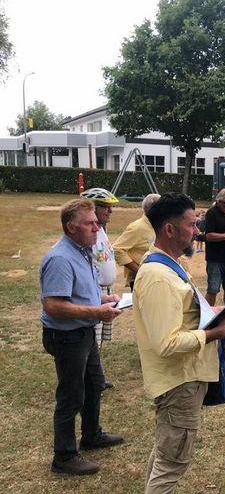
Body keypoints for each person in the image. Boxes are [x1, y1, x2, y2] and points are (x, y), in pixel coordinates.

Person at [134, 193, 225, 494]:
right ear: (170, 229)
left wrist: (215, 320)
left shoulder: (170, 265)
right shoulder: (159, 276)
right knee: (171, 461)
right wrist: (213, 334)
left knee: (164, 451)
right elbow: (167, 342)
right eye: (193, 224)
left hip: (185, 378)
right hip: (178, 381)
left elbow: (185, 319)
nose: (199, 230)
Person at [40, 198, 124, 476]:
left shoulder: (82, 250)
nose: (97, 227)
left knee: (94, 384)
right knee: (71, 395)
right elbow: (53, 305)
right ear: (71, 227)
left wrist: (105, 299)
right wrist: (96, 311)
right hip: (67, 336)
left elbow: (79, 292)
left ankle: (91, 434)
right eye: (90, 223)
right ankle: (63, 456)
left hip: (83, 331)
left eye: (96, 222)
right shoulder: (60, 258)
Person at [83, 188, 120, 387]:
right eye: (105, 207)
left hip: (106, 290)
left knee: (99, 340)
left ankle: (95, 377)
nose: (110, 211)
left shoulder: (101, 230)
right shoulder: (88, 234)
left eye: (111, 207)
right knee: (92, 340)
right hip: (95, 291)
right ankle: (89, 379)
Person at [113, 193, 162, 288]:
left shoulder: (159, 226)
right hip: (141, 281)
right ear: (154, 210)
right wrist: (139, 270)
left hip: (157, 278)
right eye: (163, 206)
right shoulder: (137, 227)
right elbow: (117, 250)